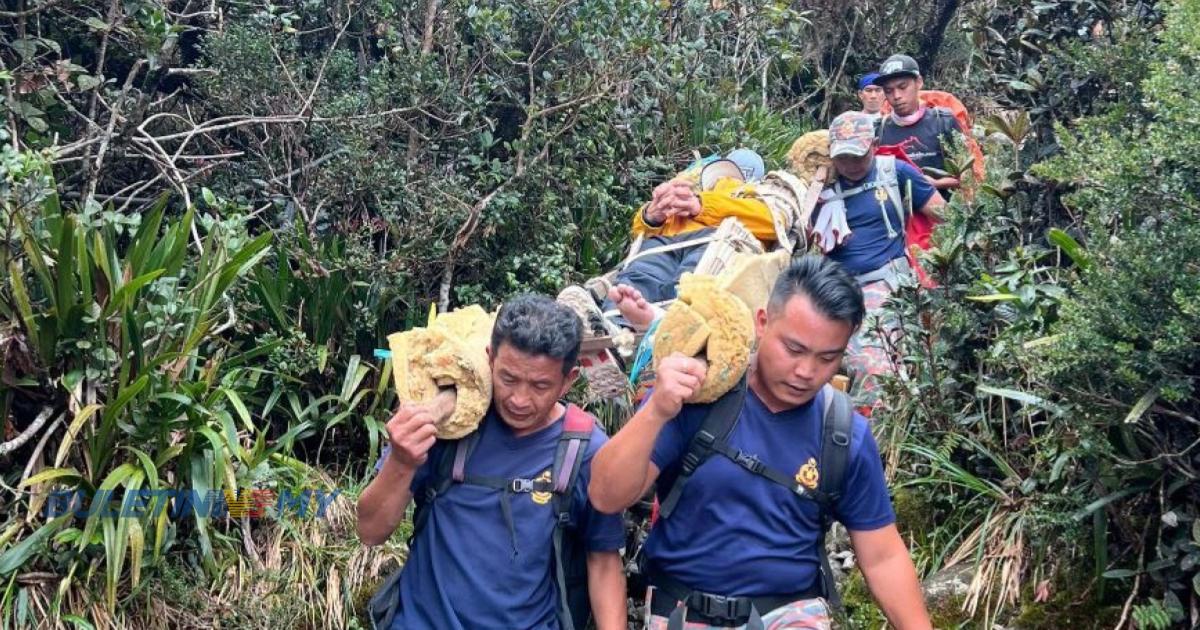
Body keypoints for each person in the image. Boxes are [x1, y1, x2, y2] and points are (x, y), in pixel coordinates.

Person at [588, 256, 933, 629]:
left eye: (827, 358)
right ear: (763, 323)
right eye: (794, 349)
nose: (805, 372)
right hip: (684, 610)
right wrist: (656, 410)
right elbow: (606, 496)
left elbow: (882, 556)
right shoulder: (696, 398)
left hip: (791, 614)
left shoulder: (844, 433)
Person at [357, 294, 626, 629]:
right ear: (489, 359)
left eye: (540, 385)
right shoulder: (449, 423)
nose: (519, 399)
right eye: (508, 378)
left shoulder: (584, 450)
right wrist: (401, 460)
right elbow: (370, 531)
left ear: (568, 380)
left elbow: (602, 560)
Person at [815, 111, 945, 407]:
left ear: (873, 144)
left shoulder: (895, 173)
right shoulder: (820, 186)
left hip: (885, 282)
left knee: (874, 366)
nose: (849, 165)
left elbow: (947, 216)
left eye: (857, 156)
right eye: (842, 157)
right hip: (835, 289)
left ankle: (891, 433)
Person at [874, 54, 966, 196]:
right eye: (888, 90)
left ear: (919, 82)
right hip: (898, 215)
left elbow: (968, 176)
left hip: (945, 213)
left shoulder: (944, 121)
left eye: (902, 87)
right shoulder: (879, 130)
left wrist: (935, 184)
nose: (896, 95)